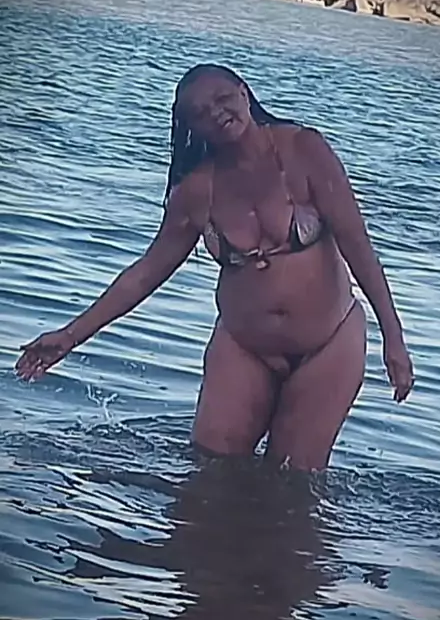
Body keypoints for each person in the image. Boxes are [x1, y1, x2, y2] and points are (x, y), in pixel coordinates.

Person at [15, 63, 414, 471]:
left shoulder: (304, 150)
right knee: (209, 471)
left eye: (222, 99)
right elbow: (146, 273)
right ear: (192, 127)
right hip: (243, 345)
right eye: (201, 113)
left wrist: (393, 338)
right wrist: (70, 336)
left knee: (293, 479)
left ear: (244, 92)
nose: (217, 113)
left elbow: (356, 243)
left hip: (329, 342)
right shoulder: (196, 191)